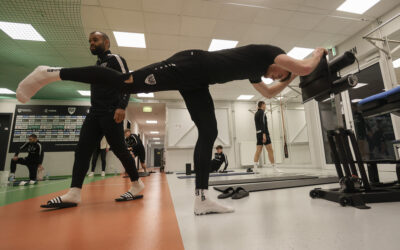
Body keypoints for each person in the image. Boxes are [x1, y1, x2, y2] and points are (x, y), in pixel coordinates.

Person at [17, 43, 327, 214]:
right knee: (128, 81)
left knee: (208, 131)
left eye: (276, 76)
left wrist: (285, 84)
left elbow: (269, 94)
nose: (273, 75)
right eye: (278, 72)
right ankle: (51, 72)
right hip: (190, 64)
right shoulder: (267, 52)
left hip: (197, 82)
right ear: (282, 61)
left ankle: (202, 198)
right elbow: (304, 66)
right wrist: (319, 53)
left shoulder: (255, 70)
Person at [36, 31, 143, 209]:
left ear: (106, 42)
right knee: (82, 150)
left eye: (95, 40)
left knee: (120, 150)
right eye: (90, 41)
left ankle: (137, 183)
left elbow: (127, 81)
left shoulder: (115, 59)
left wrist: (121, 106)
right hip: (95, 113)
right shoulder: (97, 64)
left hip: (111, 112)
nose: (91, 43)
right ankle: (74, 192)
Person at [252, 101, 281, 173]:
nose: (265, 106)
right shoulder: (262, 112)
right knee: (270, 150)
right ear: (262, 105)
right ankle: (274, 168)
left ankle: (255, 168)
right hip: (263, 133)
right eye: (265, 105)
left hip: (258, 133)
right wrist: (264, 134)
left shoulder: (256, 114)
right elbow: (262, 123)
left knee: (258, 151)